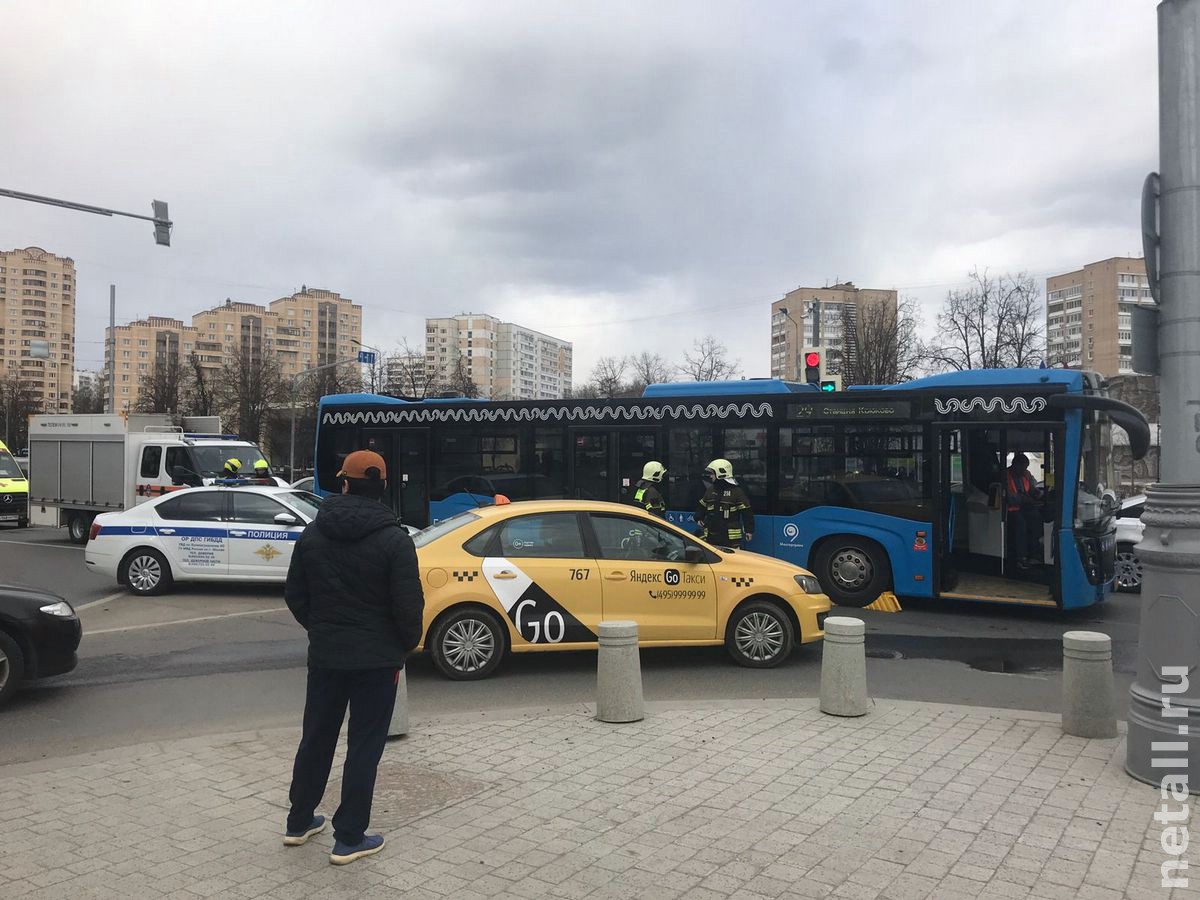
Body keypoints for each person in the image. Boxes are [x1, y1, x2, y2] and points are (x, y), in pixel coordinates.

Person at [283, 449, 425, 866]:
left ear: (344, 483)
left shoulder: (313, 533)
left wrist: (322, 630)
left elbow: (295, 596)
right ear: (381, 487)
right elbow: (409, 608)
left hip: (326, 657)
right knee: (364, 746)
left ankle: (299, 821)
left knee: (316, 738)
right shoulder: (396, 539)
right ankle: (348, 837)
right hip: (378, 663)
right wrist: (401, 648)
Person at [696, 458, 754, 548]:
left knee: (732, 560)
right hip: (711, 536)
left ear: (720, 473)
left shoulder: (736, 492)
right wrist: (699, 518)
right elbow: (702, 505)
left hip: (730, 538)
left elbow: (747, 512)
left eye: (712, 474)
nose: (710, 476)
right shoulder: (710, 490)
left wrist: (749, 530)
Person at [1006, 452, 1044, 569]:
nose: (1024, 470)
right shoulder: (1005, 475)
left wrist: (1038, 494)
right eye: (1021, 467)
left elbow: (1033, 487)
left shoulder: (1026, 474)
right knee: (1021, 524)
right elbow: (1007, 496)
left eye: (1025, 467)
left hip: (1026, 507)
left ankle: (1035, 554)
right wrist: (1023, 499)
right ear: (1014, 465)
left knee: (1037, 518)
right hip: (1010, 509)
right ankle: (1020, 558)